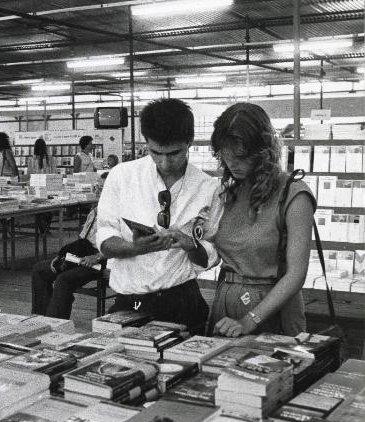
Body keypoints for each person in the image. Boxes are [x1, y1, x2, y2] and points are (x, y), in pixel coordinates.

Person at [96, 98, 223, 334]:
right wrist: (135, 248)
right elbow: (104, 237)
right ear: (146, 141)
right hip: (129, 301)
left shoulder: (208, 188)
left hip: (182, 299)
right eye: (155, 153)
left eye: (174, 153)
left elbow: (213, 254)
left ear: (190, 141)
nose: (164, 162)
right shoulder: (122, 176)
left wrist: (191, 245)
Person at [209, 103, 316, 338]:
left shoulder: (294, 194)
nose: (232, 164)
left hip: (271, 309)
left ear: (262, 152)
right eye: (226, 155)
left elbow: (296, 274)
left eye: (241, 156)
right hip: (226, 306)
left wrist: (250, 320)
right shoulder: (229, 193)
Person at [31, 176, 108, 319]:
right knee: (40, 270)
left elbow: (122, 247)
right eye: (99, 187)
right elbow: (81, 242)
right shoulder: (96, 211)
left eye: (104, 188)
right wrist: (64, 255)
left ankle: (56, 323)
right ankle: (41, 319)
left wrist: (97, 257)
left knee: (63, 280)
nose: (100, 191)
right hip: (83, 253)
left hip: (102, 259)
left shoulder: (120, 214)